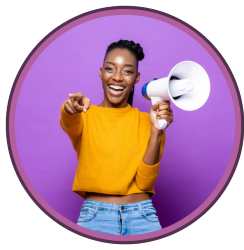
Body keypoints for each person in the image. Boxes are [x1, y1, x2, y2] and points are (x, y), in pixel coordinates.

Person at [59, 40, 173, 235]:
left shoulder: (149, 121)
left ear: (136, 78)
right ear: (101, 73)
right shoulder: (85, 115)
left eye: (127, 71)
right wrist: (70, 108)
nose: (118, 77)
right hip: (95, 218)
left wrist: (157, 131)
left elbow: (145, 184)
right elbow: (68, 119)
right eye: (110, 69)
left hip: (143, 217)